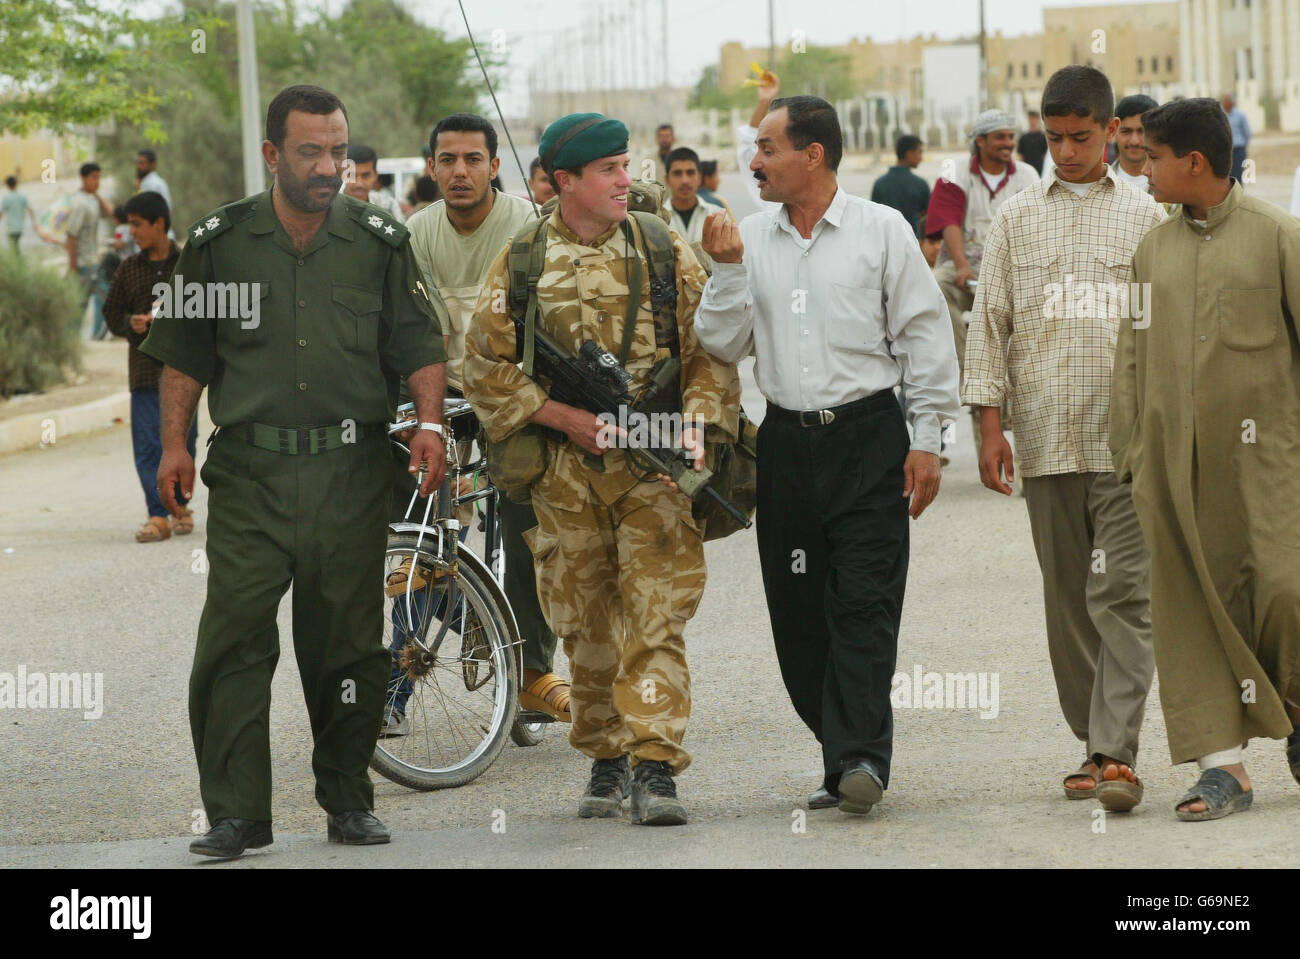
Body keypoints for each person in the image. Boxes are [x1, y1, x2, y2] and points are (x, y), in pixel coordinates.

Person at [139, 84, 449, 859]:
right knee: (235, 638)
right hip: (250, 474)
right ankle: (239, 813)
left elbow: (418, 344)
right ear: (273, 154)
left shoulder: (379, 238)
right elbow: (183, 352)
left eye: (338, 150)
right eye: (310, 151)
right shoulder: (221, 242)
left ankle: (347, 797)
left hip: (350, 470)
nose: (328, 166)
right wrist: (174, 445)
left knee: (347, 643)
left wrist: (432, 422)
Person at [464, 112, 740, 826]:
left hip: (653, 469)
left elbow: (707, 344)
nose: (628, 178)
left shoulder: (657, 245)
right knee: (585, 626)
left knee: (655, 617)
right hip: (565, 476)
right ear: (566, 183)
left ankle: (655, 765)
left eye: (627, 164)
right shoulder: (522, 259)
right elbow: (482, 365)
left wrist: (702, 425)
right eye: (611, 169)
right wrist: (566, 418)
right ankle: (606, 756)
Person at [697, 95, 960, 816]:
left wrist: (928, 440)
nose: (755, 161)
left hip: (869, 437)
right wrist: (723, 273)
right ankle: (838, 747)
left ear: (812, 155)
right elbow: (721, 343)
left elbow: (925, 339)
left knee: (866, 600)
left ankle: (861, 757)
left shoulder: (882, 231)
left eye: (769, 148)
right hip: (785, 445)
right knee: (799, 610)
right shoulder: (747, 238)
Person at [964, 65, 1163, 811]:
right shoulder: (1016, 219)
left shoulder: (1146, 217)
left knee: (1122, 595)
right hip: (1046, 441)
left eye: (1082, 137)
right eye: (1054, 138)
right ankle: (1092, 742)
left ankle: (1116, 751)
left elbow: (1163, 328)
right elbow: (990, 327)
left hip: (1125, 447)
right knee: (1069, 603)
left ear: (1113, 133)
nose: (1068, 151)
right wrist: (989, 425)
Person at [1111, 96, 1300, 822]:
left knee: (1284, 590)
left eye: (1152, 156)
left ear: (1194, 162)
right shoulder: (1151, 252)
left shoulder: (1277, 236)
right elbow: (1131, 357)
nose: (1142, 167)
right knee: (1187, 613)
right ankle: (1222, 768)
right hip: (1170, 472)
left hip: (1268, 469)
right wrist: (1132, 454)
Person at [402, 112, 569, 729]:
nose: (460, 171)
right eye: (448, 160)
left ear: (495, 166)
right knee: (416, 536)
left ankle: (531, 673)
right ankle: (409, 672)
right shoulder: (417, 231)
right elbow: (415, 334)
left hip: (514, 400)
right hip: (439, 401)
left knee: (529, 530)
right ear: (432, 168)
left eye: (473, 159)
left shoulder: (525, 222)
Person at [925, 110, 1038, 451]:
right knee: (936, 286)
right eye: (1000, 137)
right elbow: (948, 220)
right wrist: (961, 265)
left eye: (1009, 137)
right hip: (965, 269)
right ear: (981, 141)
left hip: (1011, 270)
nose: (1008, 143)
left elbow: (1035, 223)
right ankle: (961, 367)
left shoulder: (1027, 174)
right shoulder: (954, 171)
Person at [102, 191, 199, 543]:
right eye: (130, 226)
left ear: (159, 223)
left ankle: (181, 506)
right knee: (147, 445)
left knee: (185, 441)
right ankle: (158, 515)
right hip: (144, 373)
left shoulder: (190, 262)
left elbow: (208, 311)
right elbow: (111, 314)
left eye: (138, 225)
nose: (133, 233)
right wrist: (133, 323)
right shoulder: (128, 269)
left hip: (185, 372)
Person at [63, 162, 114, 339]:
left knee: (103, 298)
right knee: (80, 303)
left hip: (94, 261)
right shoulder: (79, 204)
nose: (97, 181)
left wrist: (96, 193)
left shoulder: (91, 200)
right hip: (83, 264)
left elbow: (111, 212)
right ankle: (71, 339)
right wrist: (73, 266)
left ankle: (95, 336)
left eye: (99, 177)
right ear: (83, 179)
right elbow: (71, 236)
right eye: (93, 177)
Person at [663, 146, 725, 270]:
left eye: (690, 173)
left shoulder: (717, 215)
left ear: (700, 178)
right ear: (667, 180)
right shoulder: (656, 219)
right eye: (677, 173)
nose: (685, 180)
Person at [736, 72, 783, 215]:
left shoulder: (849, 220)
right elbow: (748, 146)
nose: (754, 164)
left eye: (769, 152)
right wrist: (764, 101)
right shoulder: (775, 209)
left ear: (812, 156)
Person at [870, 134, 931, 239]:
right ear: (909, 154)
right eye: (919, 152)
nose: (921, 158)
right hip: (913, 242)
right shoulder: (920, 184)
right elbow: (928, 218)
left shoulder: (879, 184)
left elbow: (873, 218)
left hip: (886, 242)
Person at [343, 143, 405, 222]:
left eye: (366, 176)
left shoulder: (388, 206)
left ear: (376, 176)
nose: (359, 184)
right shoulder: (329, 208)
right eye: (352, 175)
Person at [1112, 94, 1158, 194]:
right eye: (1126, 131)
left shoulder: (1173, 186)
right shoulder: (1098, 184)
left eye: (1142, 131)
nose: (1134, 141)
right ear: (1114, 132)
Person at [2, 176, 38, 253]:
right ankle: (18, 260)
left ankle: (17, 261)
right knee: (16, 246)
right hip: (20, 226)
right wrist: (35, 223)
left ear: (7, 185)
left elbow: (1, 213)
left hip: (11, 228)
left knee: (13, 248)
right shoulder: (22, 195)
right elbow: (30, 210)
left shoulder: (6, 198)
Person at [1220, 93, 1250, 182]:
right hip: (1224, 150)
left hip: (1238, 150)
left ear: (1232, 103)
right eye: (1224, 101)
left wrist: (1244, 145)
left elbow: (1247, 132)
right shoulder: (1220, 115)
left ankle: (1238, 194)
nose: (1224, 103)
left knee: (1238, 175)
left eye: (1226, 101)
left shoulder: (1240, 115)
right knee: (1226, 176)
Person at [1016, 110, 1047, 174]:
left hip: (1040, 170)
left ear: (1038, 120)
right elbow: (1020, 156)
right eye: (1031, 119)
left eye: (1035, 119)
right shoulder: (1023, 137)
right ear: (1028, 120)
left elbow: (1045, 156)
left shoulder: (1043, 137)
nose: (1033, 121)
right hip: (1026, 170)